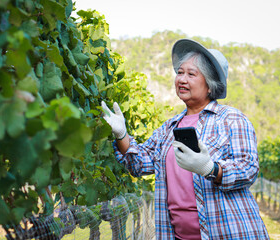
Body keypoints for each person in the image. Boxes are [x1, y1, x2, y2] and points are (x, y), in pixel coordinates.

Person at [101, 39, 269, 240]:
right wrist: (122, 135)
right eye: (180, 72)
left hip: (228, 232)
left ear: (210, 85)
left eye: (191, 74)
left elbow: (248, 168)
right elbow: (139, 164)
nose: (182, 79)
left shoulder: (232, 119)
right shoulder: (168, 127)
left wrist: (210, 169)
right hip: (178, 235)